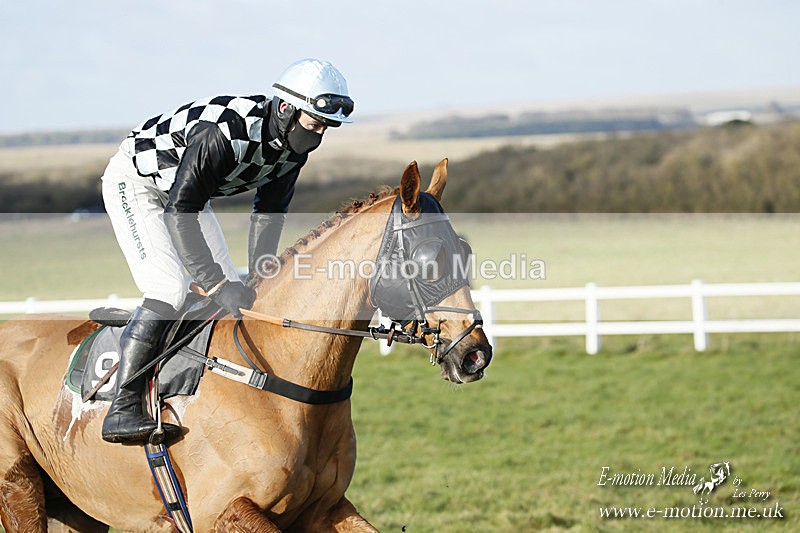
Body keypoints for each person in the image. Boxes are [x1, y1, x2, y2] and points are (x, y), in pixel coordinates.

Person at [99, 58, 354, 444]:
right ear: (286, 109)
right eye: (314, 123)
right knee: (169, 289)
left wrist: (261, 273)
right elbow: (179, 213)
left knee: (234, 288)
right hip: (137, 184)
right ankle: (122, 407)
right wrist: (217, 285)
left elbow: (269, 213)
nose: (317, 135)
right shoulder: (223, 134)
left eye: (325, 127)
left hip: (184, 196)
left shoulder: (292, 148)